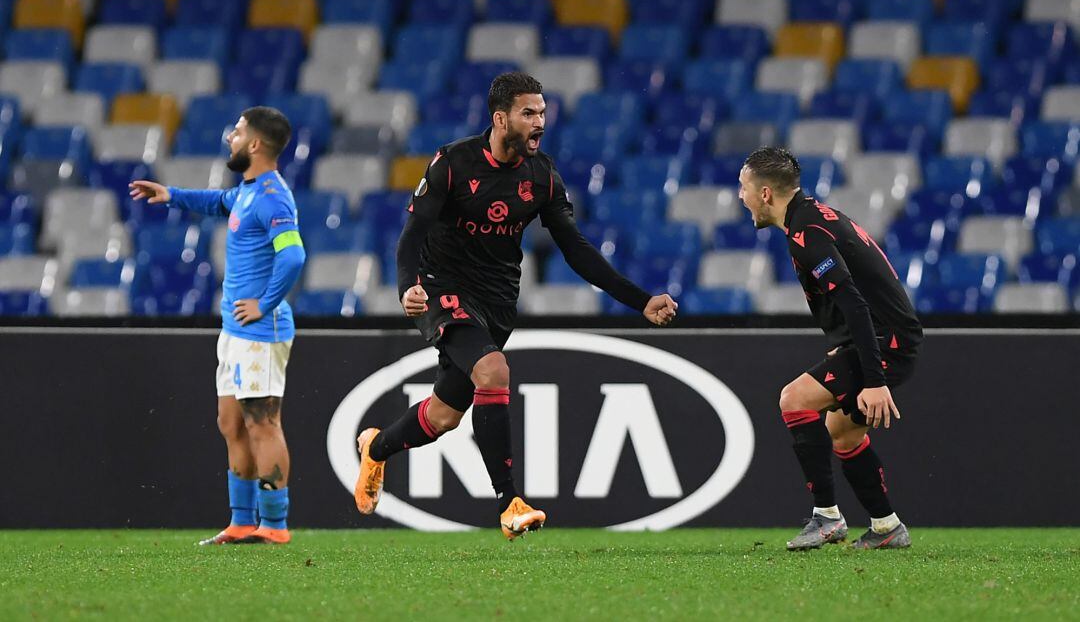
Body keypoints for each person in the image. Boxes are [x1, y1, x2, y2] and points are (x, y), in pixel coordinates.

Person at [353, 72, 679, 539]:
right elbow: (412, 235)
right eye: (529, 113)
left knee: (444, 415)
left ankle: (376, 448)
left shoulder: (542, 176)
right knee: (494, 370)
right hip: (442, 289)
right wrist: (408, 286)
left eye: (543, 113)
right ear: (500, 118)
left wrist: (641, 301)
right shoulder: (452, 163)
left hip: (497, 302)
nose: (539, 122)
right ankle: (509, 503)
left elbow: (578, 250)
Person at [129, 107, 306, 545]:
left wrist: (265, 304)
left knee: (262, 424)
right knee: (231, 423)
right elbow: (216, 202)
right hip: (235, 332)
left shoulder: (272, 196)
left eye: (239, 131)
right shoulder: (247, 191)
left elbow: (294, 255)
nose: (231, 136)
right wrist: (170, 194)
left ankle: (275, 526)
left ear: (256, 145)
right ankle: (242, 521)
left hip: (260, 333)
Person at [737, 146, 923, 550]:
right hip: (886, 336)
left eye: (744, 187)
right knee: (842, 432)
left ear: (766, 194)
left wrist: (874, 381)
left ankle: (826, 517)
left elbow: (853, 302)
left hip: (885, 342)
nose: (741, 197)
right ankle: (887, 527)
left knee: (794, 399)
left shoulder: (807, 234)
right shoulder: (813, 218)